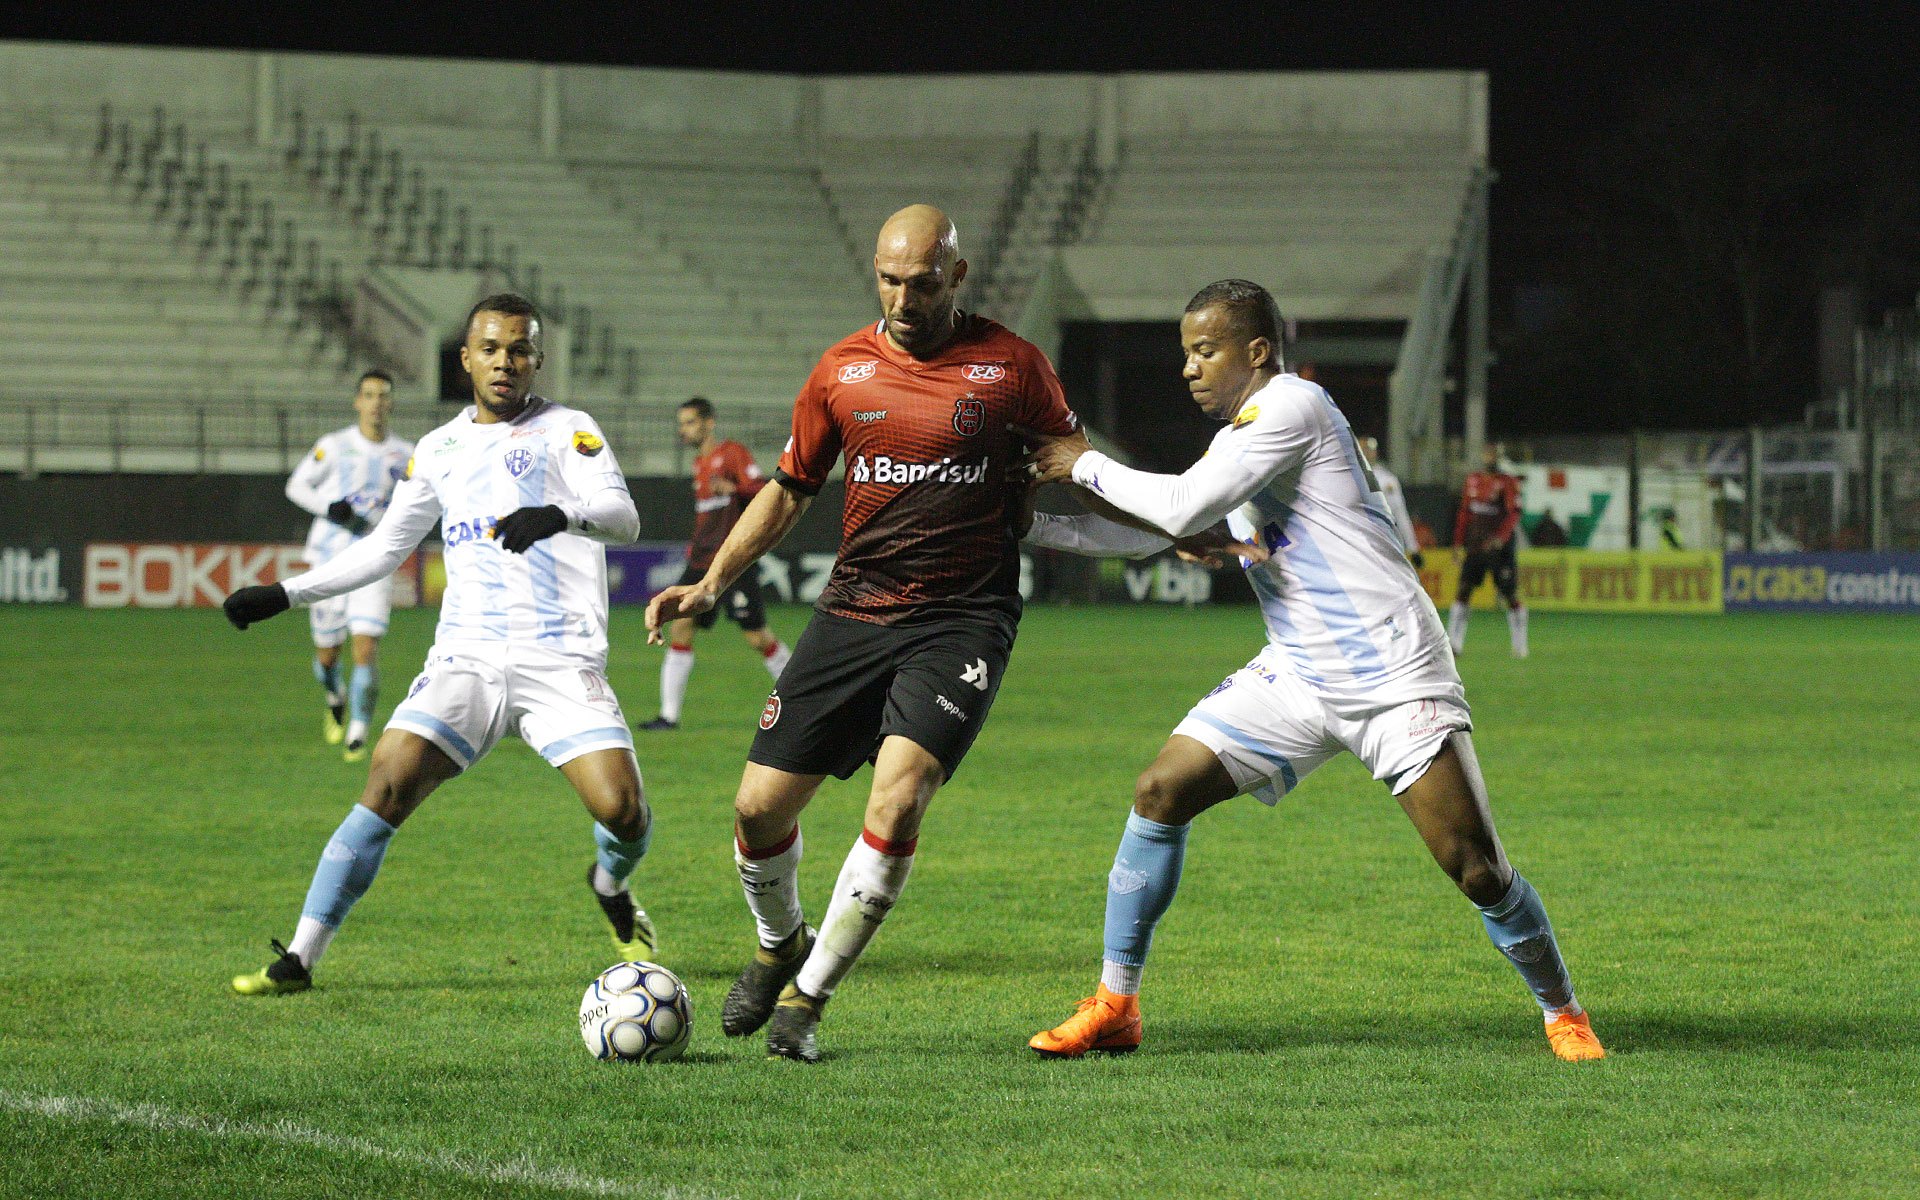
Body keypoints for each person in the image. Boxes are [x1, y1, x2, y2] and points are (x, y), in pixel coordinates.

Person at [1020, 279, 1604, 1063]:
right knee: (1161, 790)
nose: (1189, 368)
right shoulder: (1240, 441)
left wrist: (1083, 462)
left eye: (1205, 351)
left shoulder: (1291, 407)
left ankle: (1564, 1012)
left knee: (1476, 868)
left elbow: (1183, 506)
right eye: (1185, 353)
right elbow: (1162, 529)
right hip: (1298, 674)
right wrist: (1033, 525)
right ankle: (1116, 1004)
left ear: (1257, 351)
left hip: (1392, 673)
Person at [645, 205, 1087, 1063]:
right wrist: (710, 584)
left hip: (962, 618)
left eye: (922, 283)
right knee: (756, 809)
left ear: (957, 276)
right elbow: (788, 488)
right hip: (854, 609)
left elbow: (1079, 464)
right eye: (889, 280)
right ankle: (781, 944)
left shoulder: (1013, 366)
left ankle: (806, 1002)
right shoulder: (841, 371)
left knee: (900, 796)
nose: (903, 299)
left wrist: (1176, 519)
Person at [222, 293, 657, 994]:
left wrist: (559, 514)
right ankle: (300, 957)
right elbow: (385, 547)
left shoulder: (569, 429)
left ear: (537, 360)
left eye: (519, 350)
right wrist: (286, 593)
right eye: (491, 349)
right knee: (387, 780)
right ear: (466, 360)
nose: (505, 362)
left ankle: (609, 883)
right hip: (468, 657)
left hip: (558, 656)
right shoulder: (438, 449)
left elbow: (624, 518)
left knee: (623, 811)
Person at [283, 370, 415, 760]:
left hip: (374, 562)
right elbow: (296, 486)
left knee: (366, 647)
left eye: (383, 395)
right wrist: (329, 507)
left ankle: (358, 730)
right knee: (328, 655)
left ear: (391, 403)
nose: (376, 403)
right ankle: (334, 694)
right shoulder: (334, 445)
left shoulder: (407, 454)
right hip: (329, 560)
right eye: (369, 395)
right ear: (358, 401)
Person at [638, 397, 791, 731]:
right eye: (681, 424)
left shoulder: (732, 453)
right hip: (701, 562)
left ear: (709, 423)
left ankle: (802, 701)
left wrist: (734, 487)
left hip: (733, 560)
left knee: (758, 638)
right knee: (681, 627)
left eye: (690, 422)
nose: (684, 430)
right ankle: (668, 716)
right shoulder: (700, 464)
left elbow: (764, 490)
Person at [1450, 442, 1528, 657]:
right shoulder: (1472, 480)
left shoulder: (1507, 482)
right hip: (1475, 547)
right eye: (1487, 454)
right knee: (1463, 590)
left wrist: (1501, 538)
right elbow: (1464, 514)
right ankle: (1454, 644)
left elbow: (1514, 513)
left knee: (1509, 594)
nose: (1489, 458)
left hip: (1498, 549)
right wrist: (1457, 544)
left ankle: (1520, 644)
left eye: (1493, 454)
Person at [1360, 435, 1423, 569]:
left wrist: (1413, 548)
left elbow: (1400, 514)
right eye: (1363, 449)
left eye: (1370, 449)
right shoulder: (1345, 477)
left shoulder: (1387, 480)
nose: (1367, 452)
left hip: (1381, 541)